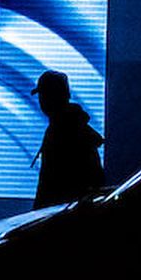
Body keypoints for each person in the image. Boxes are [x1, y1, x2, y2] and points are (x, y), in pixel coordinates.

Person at [31, 70, 105, 208]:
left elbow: (51, 182)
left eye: (45, 95)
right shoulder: (72, 126)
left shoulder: (62, 130)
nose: (41, 101)